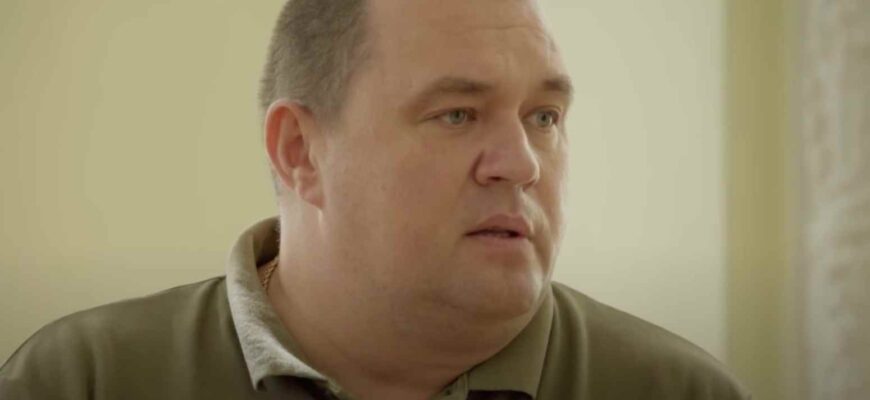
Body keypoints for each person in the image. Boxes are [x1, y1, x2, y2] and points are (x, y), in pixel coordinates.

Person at [0, 0, 751, 399]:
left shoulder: (678, 392)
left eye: (544, 117)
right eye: (456, 114)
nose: (522, 163)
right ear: (301, 153)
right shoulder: (81, 381)